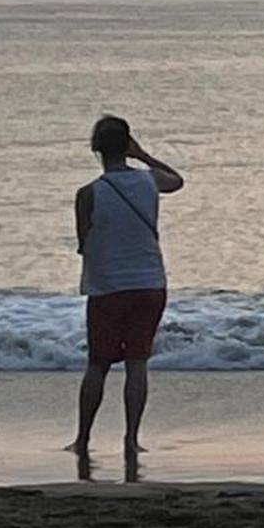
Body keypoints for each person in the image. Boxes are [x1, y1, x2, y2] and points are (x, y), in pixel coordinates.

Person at [71, 116, 182, 467]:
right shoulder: (148, 182)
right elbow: (176, 181)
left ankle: (83, 437)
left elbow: (83, 242)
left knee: (98, 364)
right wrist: (145, 155)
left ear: (96, 149)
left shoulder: (88, 194)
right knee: (137, 364)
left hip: (108, 287)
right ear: (127, 146)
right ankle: (131, 439)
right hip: (149, 283)